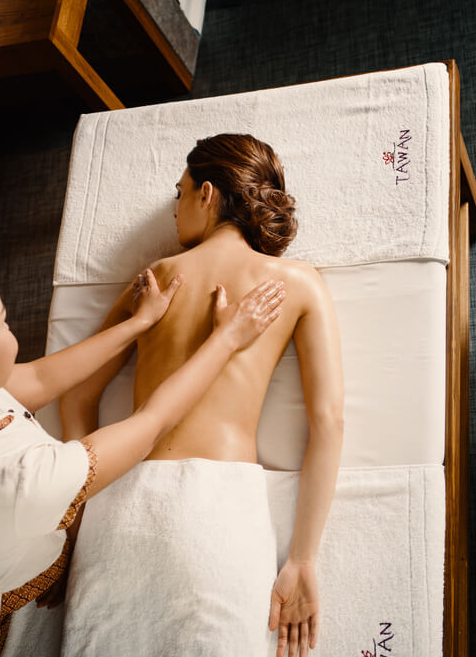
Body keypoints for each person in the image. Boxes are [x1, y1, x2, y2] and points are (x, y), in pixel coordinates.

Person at [0, 248, 284, 657]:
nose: (10, 329)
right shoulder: (20, 478)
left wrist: (137, 323)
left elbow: (39, 380)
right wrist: (227, 338)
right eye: (3, 322)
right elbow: (151, 424)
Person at [60, 133, 344, 657]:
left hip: (123, 500)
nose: (175, 209)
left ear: (207, 193)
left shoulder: (154, 280)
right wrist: (303, 560)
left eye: (180, 192)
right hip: (218, 516)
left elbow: (76, 396)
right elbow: (328, 423)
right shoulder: (297, 283)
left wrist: (77, 519)